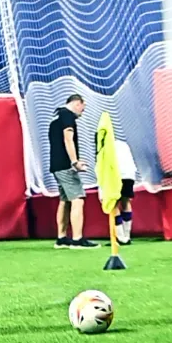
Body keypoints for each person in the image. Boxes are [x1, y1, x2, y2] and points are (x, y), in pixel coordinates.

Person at [49, 94, 98, 249]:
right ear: (78, 103)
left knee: (65, 200)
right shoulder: (67, 116)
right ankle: (77, 239)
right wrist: (75, 162)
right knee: (78, 199)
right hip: (65, 166)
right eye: (83, 107)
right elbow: (68, 139)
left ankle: (61, 238)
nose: (83, 111)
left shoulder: (57, 116)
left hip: (56, 165)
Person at [114, 137, 137, 245]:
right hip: (129, 174)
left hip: (116, 175)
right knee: (126, 201)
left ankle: (120, 236)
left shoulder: (105, 146)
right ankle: (126, 236)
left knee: (113, 204)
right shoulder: (123, 144)